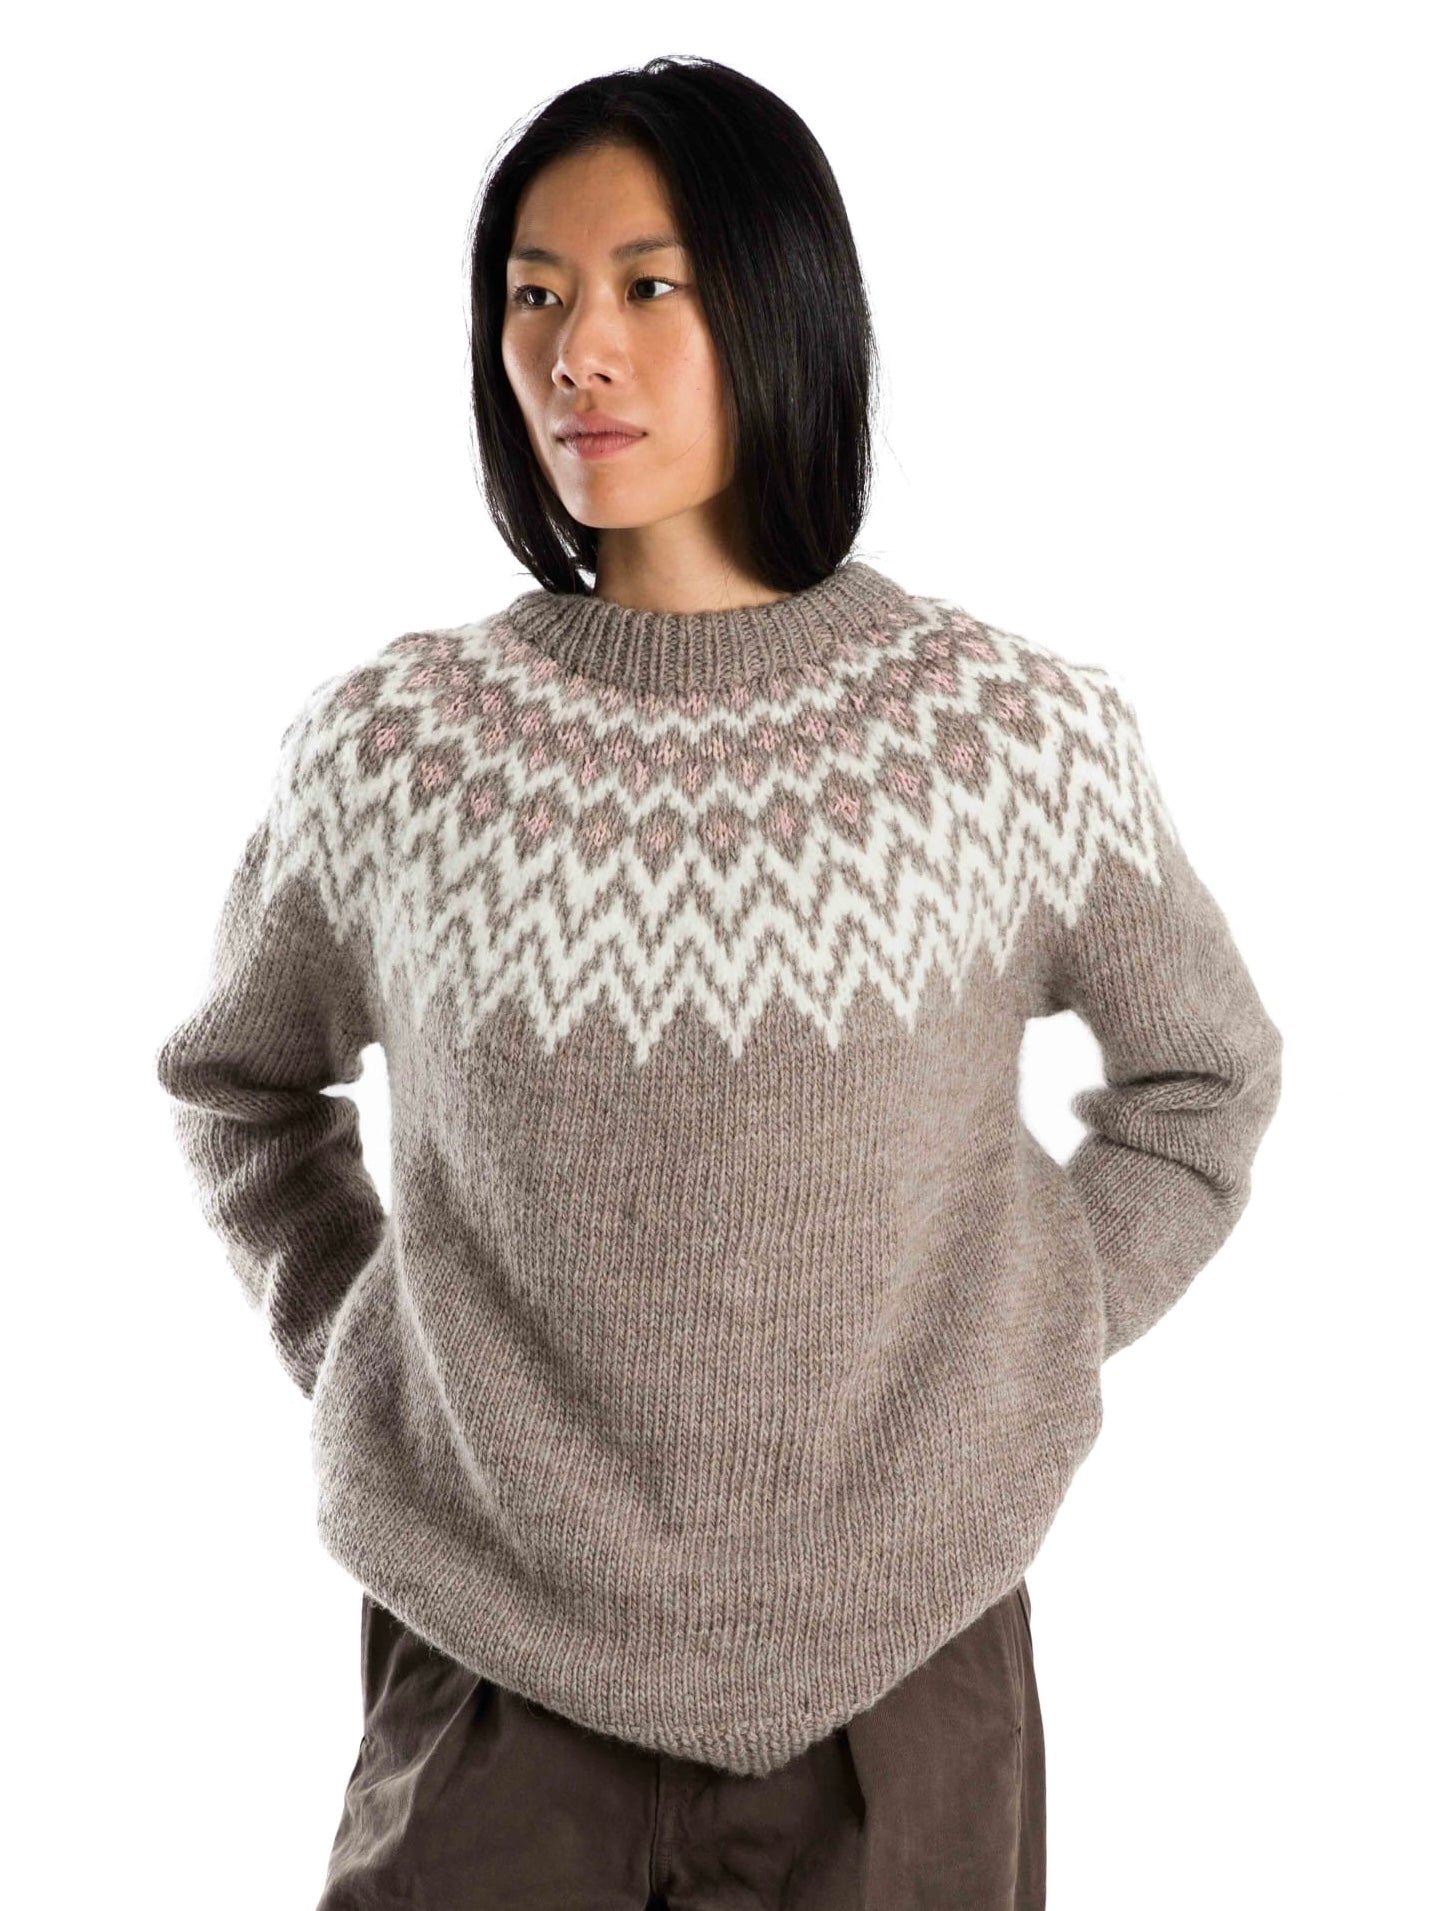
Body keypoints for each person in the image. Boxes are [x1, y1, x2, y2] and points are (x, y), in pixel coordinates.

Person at [154, 54, 1282, 1911]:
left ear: (780, 307)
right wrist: (378, 1350)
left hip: (905, 1669)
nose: (575, 352)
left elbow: (1202, 1081)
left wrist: (1029, 1331)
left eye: (647, 285)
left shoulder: (1004, 735)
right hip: (490, 1663)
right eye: (534, 294)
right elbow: (241, 1081)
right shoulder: (397, 750)